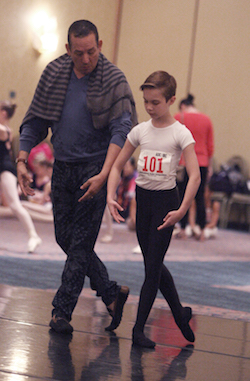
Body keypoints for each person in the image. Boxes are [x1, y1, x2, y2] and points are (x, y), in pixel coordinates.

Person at [16, 20, 137, 334]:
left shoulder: (113, 79)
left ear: (100, 43)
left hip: (95, 169)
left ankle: (61, 312)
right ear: (68, 49)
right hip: (63, 166)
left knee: (81, 244)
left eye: (92, 51)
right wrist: (22, 157)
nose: (86, 59)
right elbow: (35, 120)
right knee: (63, 237)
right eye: (79, 52)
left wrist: (105, 172)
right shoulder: (55, 74)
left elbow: (122, 130)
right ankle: (110, 292)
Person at [107, 71, 201, 348]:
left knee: (151, 270)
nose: (149, 107)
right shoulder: (140, 131)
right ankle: (180, 314)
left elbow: (194, 175)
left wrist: (182, 209)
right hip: (143, 201)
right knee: (153, 264)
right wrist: (111, 195)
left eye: (155, 102)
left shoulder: (180, 133)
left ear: (171, 100)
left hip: (166, 203)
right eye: (146, 101)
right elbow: (115, 165)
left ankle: (138, 330)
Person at [0, 100, 42, 253]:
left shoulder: (4, 130)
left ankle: (33, 235)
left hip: (5, 170)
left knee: (14, 205)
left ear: (3, 113)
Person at [175, 94, 214, 240]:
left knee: (183, 195)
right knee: (200, 196)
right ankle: (202, 229)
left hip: (184, 162)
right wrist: (209, 164)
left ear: (182, 106)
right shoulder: (206, 119)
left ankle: (183, 228)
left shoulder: (179, 117)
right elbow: (210, 146)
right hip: (202, 161)